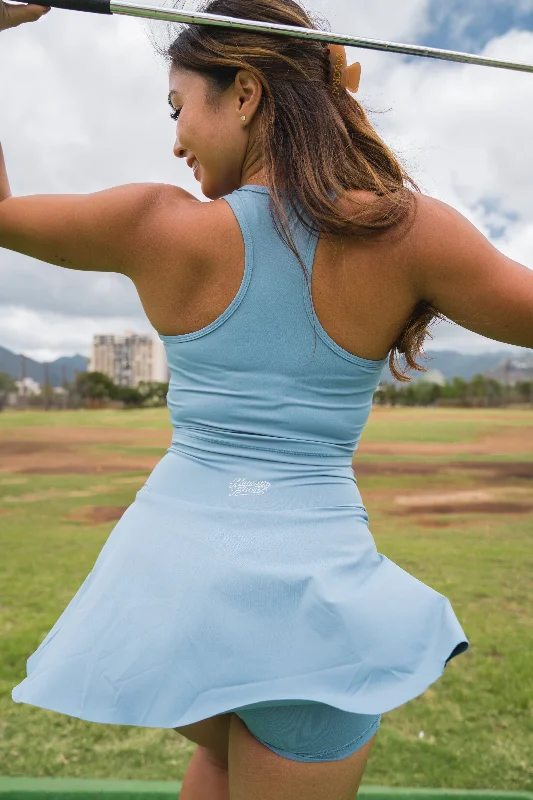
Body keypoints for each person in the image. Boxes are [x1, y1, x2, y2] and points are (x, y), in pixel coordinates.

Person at [2, 0, 532, 798]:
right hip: (305, 625)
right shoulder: (409, 232)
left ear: (244, 94)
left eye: (179, 108)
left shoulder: (156, 226)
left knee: (219, 760)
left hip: (169, 602)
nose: (173, 137)